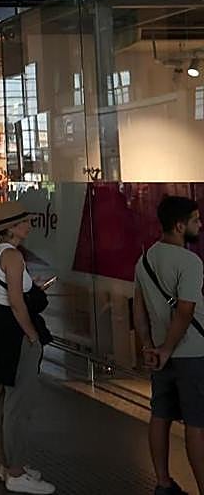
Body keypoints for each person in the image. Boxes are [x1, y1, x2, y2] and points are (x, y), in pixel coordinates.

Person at [0, 201, 54, 495]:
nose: (29, 225)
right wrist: (31, 334)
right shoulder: (12, 256)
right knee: (19, 405)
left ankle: (8, 463)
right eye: (24, 221)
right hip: (14, 331)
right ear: (11, 228)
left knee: (6, 400)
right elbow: (16, 302)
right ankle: (16, 472)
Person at [134, 195, 204, 495]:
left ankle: (163, 483)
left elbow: (138, 310)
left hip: (160, 354)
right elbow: (186, 310)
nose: (200, 224)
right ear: (179, 226)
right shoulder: (189, 261)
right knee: (196, 423)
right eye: (195, 220)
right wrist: (167, 349)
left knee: (160, 415)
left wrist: (150, 347)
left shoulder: (145, 260)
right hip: (192, 353)